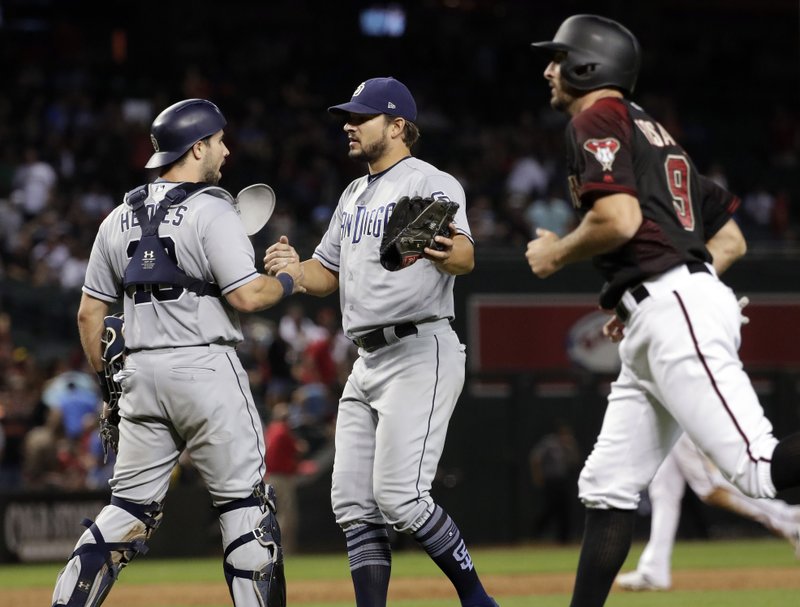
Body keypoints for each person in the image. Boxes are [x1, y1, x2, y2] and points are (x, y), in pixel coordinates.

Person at [525, 15, 800, 607]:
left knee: (759, 469)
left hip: (675, 308)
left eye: (558, 57)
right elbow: (730, 241)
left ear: (587, 65)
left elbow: (618, 220)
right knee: (608, 488)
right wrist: (656, 283)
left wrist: (555, 253)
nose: (548, 69)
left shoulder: (596, 117)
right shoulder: (654, 131)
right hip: (665, 308)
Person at [51, 98, 303, 607]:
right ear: (196, 146)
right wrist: (288, 278)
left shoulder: (116, 218)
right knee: (244, 510)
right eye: (219, 141)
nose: (226, 150)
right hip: (206, 368)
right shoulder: (214, 208)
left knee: (126, 511)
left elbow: (88, 316)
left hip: (140, 375)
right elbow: (248, 296)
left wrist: (110, 389)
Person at [264, 77, 498, 607]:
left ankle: (478, 600)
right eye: (349, 115)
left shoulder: (429, 183)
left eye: (362, 116)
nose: (349, 124)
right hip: (366, 360)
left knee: (401, 499)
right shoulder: (352, 194)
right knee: (351, 502)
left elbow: (465, 256)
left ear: (398, 126)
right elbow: (326, 271)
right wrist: (292, 271)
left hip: (420, 348)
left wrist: (439, 249)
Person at [616, 433, 800, 591]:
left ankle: (789, 519)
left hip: (681, 409)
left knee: (710, 487)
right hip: (665, 410)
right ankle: (654, 568)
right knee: (664, 488)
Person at [529, 421, 581, 543]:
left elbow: (575, 461)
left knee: (565, 509)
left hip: (562, 480)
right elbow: (535, 458)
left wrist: (571, 447)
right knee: (550, 508)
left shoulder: (568, 446)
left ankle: (563, 538)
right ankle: (536, 533)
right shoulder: (549, 443)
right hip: (551, 481)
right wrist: (538, 476)